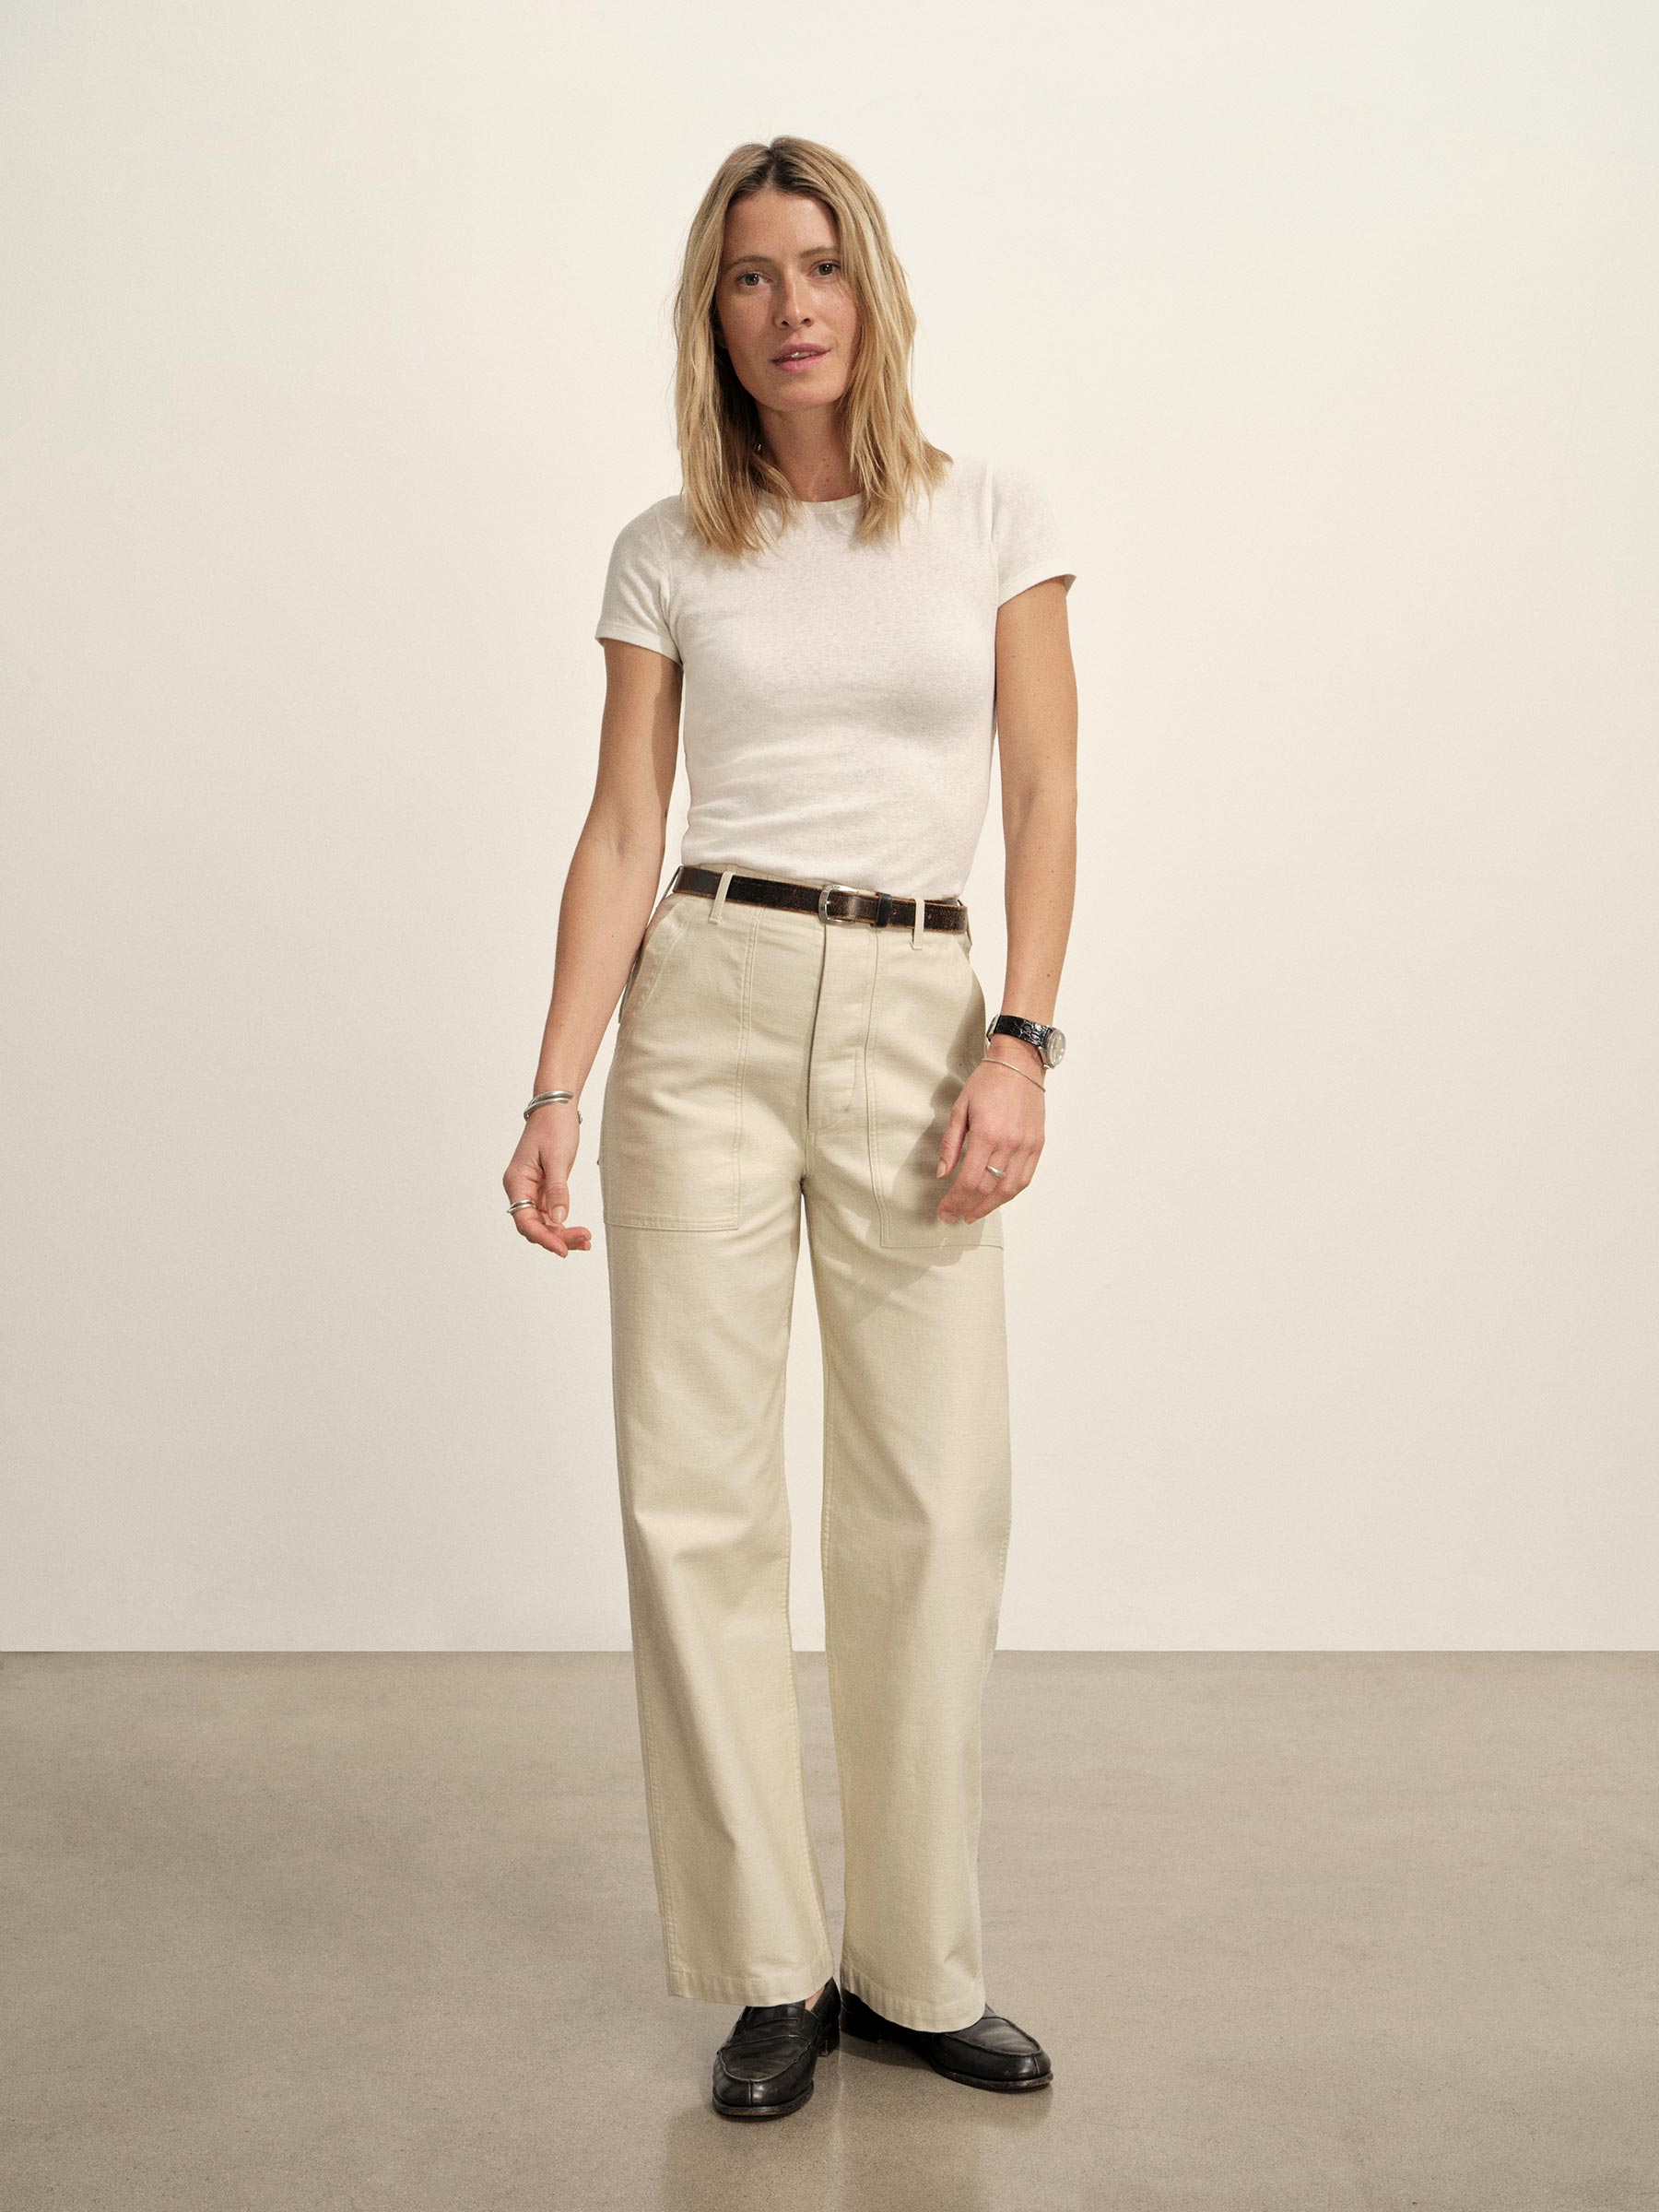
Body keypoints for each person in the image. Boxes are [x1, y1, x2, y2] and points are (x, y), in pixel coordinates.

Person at [503, 135, 1077, 2122]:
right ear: (714, 314)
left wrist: (1024, 1044)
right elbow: (621, 828)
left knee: (935, 1497)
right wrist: (556, 1083)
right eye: (750, 275)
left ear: (872, 286)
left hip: (926, 1012)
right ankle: (770, 1972)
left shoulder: (989, 516)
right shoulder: (667, 547)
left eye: (819, 264)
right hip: (708, 1014)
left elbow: (1046, 795)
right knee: (697, 1500)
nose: (791, 305)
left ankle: (915, 1969)